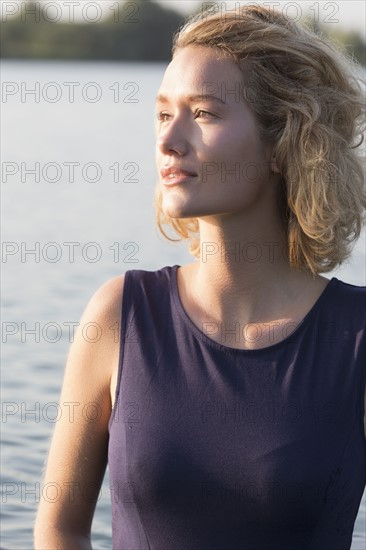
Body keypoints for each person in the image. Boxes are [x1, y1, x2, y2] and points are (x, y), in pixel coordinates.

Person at [34, 4, 366, 549]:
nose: (168, 141)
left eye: (204, 113)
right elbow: (59, 530)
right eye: (164, 114)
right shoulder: (120, 314)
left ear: (283, 141)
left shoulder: (354, 338)